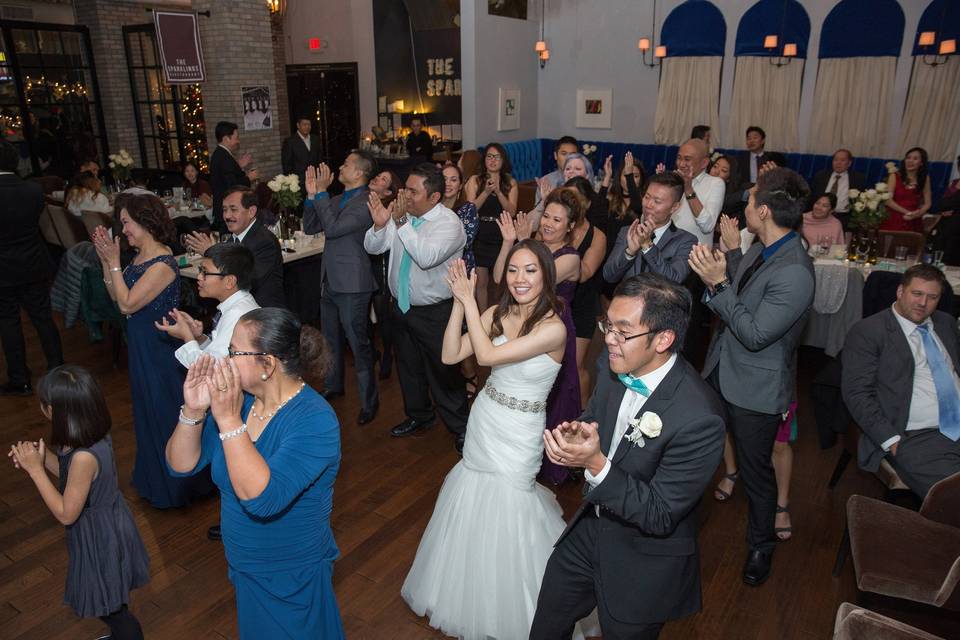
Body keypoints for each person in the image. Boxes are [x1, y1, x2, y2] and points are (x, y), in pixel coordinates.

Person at [529, 273, 726, 640]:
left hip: (643, 561)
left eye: (623, 331)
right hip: (588, 530)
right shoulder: (616, 365)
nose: (608, 339)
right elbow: (596, 417)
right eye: (608, 326)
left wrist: (595, 464)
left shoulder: (701, 418)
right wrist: (577, 434)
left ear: (663, 339)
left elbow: (660, 513)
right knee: (546, 624)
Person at [403, 242, 578, 639]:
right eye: (513, 270)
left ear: (546, 276)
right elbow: (451, 354)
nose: (520, 279)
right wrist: (457, 304)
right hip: (486, 418)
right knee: (474, 498)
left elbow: (485, 358)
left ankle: (520, 605)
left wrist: (469, 303)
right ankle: (469, 594)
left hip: (519, 431)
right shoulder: (496, 313)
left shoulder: (553, 327)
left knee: (511, 508)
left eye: (530, 271)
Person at [165, 308, 345, 639]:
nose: (225, 360)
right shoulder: (243, 402)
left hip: (291, 576)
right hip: (244, 566)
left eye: (234, 352)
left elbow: (262, 499)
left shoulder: (315, 420)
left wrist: (229, 422)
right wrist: (193, 409)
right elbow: (180, 465)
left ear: (268, 364)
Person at [688, 166, 814, 586]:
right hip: (722, 370)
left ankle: (761, 545)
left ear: (763, 210)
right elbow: (746, 292)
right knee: (696, 449)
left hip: (756, 388)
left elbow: (756, 333)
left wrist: (718, 283)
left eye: (752, 196)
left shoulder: (795, 270)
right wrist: (730, 261)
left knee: (757, 476)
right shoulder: (764, 249)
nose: (746, 202)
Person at [8, 365, 150, 640]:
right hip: (107, 522)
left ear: (53, 411)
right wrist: (40, 460)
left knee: (112, 610)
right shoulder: (86, 433)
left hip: (100, 536)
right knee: (111, 599)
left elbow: (66, 514)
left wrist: (36, 472)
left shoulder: (84, 456)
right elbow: (70, 475)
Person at [91, 194, 214, 509]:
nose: (124, 230)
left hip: (161, 349)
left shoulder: (163, 262)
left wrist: (115, 263)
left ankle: (182, 484)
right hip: (142, 346)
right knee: (147, 409)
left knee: (164, 410)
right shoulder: (138, 257)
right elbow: (118, 296)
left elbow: (128, 303)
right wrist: (109, 264)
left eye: (127, 223)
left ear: (145, 221)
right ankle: (155, 478)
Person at [364, 163, 469, 452]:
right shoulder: (403, 216)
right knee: (408, 366)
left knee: (443, 371)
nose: (405, 194)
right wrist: (379, 224)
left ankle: (462, 428)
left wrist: (399, 223)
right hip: (401, 306)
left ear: (434, 197)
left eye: (413, 190)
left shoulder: (449, 224)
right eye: (405, 188)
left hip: (435, 311)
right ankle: (420, 416)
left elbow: (425, 256)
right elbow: (374, 248)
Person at [842, 264, 960, 498]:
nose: (923, 303)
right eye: (917, 294)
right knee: (953, 500)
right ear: (900, 292)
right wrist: (890, 439)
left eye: (932, 297)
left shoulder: (945, 323)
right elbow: (857, 393)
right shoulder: (869, 331)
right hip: (916, 436)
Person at [495, 189, 582, 485]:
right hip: (525, 321)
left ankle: (555, 461)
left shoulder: (570, 257)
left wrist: (520, 244)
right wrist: (512, 243)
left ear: (570, 226)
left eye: (557, 219)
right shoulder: (530, 250)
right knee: (519, 384)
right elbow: (502, 280)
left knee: (554, 392)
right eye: (545, 215)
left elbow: (537, 281)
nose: (547, 223)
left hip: (554, 328)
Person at [303, 151, 380, 425]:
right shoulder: (335, 199)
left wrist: (322, 194)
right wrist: (313, 196)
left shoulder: (366, 202)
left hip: (353, 284)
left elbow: (334, 229)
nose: (340, 166)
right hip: (329, 281)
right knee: (331, 341)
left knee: (358, 344)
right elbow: (311, 226)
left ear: (359, 172)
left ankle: (369, 402)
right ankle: (334, 385)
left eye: (346, 164)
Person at [0, 140, 63, 396]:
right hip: (33, 264)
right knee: (43, 318)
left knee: (9, 323)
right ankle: (57, 369)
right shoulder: (33, 190)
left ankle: (20, 378)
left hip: (3, 271)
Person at [155, 243, 260, 368]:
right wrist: (199, 338)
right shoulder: (236, 305)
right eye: (200, 270)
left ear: (229, 281)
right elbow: (219, 354)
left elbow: (210, 369)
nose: (199, 277)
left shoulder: (237, 315)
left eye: (205, 272)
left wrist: (186, 335)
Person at [184, 186, 285, 308]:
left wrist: (212, 253)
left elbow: (245, 281)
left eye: (233, 209)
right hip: (238, 308)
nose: (227, 216)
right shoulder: (233, 239)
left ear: (251, 211)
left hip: (262, 313)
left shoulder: (264, 241)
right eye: (224, 210)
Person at [603, 172, 697, 285]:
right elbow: (608, 276)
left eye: (657, 201)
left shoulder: (685, 240)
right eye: (647, 197)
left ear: (674, 207)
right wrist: (630, 253)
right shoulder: (628, 231)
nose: (648, 205)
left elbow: (674, 281)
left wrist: (648, 247)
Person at [464, 142, 518, 311]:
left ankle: (501, 314)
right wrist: (486, 192)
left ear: (503, 160)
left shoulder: (510, 181)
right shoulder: (475, 180)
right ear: (484, 159)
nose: (493, 160)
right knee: (481, 282)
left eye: (497, 157)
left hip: (501, 233)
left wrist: (499, 193)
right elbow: (470, 209)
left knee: (501, 280)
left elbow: (512, 211)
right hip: (480, 233)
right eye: (489, 156)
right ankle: (482, 316)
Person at [368, 170, 402, 380]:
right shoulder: (362, 201)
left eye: (383, 179)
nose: (376, 179)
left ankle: (388, 353)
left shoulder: (391, 208)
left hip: (381, 265)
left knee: (383, 315)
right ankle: (372, 352)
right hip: (361, 266)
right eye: (377, 175)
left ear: (389, 190)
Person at [672, 138, 725, 248]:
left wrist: (688, 189)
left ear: (704, 163)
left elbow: (707, 226)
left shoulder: (715, 184)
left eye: (687, 159)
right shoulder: (673, 180)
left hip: (695, 257)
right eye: (679, 158)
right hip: (665, 251)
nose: (681, 164)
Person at [210, 121, 257, 233]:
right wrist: (249, 178)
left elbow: (226, 175)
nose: (238, 141)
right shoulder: (223, 156)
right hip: (228, 211)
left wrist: (239, 166)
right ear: (226, 139)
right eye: (236, 138)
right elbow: (232, 186)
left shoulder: (220, 154)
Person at [807, 149, 866, 229]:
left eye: (842, 160)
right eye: (835, 160)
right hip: (820, 215)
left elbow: (862, 200)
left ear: (849, 163)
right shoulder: (821, 176)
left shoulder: (858, 179)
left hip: (844, 217)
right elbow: (811, 197)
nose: (838, 163)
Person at [441, 163, 479, 274]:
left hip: (460, 267)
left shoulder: (468, 209)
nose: (448, 184)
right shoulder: (432, 207)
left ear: (461, 185)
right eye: (444, 179)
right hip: (434, 269)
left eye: (453, 180)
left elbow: (465, 242)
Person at [882, 147, 931, 233]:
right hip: (894, 218)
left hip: (914, 220)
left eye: (915, 158)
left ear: (921, 163)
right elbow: (888, 201)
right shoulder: (894, 176)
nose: (910, 161)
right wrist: (908, 213)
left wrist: (918, 214)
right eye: (908, 158)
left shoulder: (925, 178)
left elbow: (928, 203)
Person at [734, 126, 788, 191]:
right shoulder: (740, 159)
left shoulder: (775, 158)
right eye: (749, 138)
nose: (751, 141)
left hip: (767, 192)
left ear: (763, 141)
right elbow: (737, 182)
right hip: (747, 192)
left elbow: (780, 180)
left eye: (755, 138)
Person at [281, 115, 322, 188]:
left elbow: (319, 158)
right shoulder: (290, 141)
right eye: (304, 124)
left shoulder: (315, 139)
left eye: (309, 124)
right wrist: (292, 182)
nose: (307, 127)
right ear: (298, 125)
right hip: (299, 183)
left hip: (315, 180)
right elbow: (286, 164)